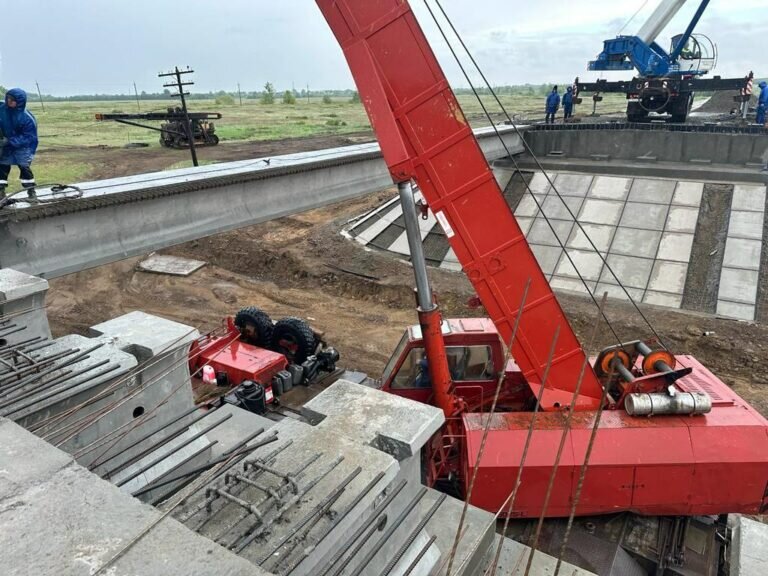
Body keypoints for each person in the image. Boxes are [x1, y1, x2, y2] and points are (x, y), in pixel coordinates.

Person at [0, 88, 39, 200]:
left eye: (12, 100)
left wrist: (10, 141)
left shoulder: (27, 118)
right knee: (2, 167)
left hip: (22, 147)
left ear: (20, 101)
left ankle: (31, 192)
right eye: (8, 99)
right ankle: (1, 192)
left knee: (24, 167)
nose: (9, 101)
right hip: (6, 146)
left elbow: (29, 137)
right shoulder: (2, 109)